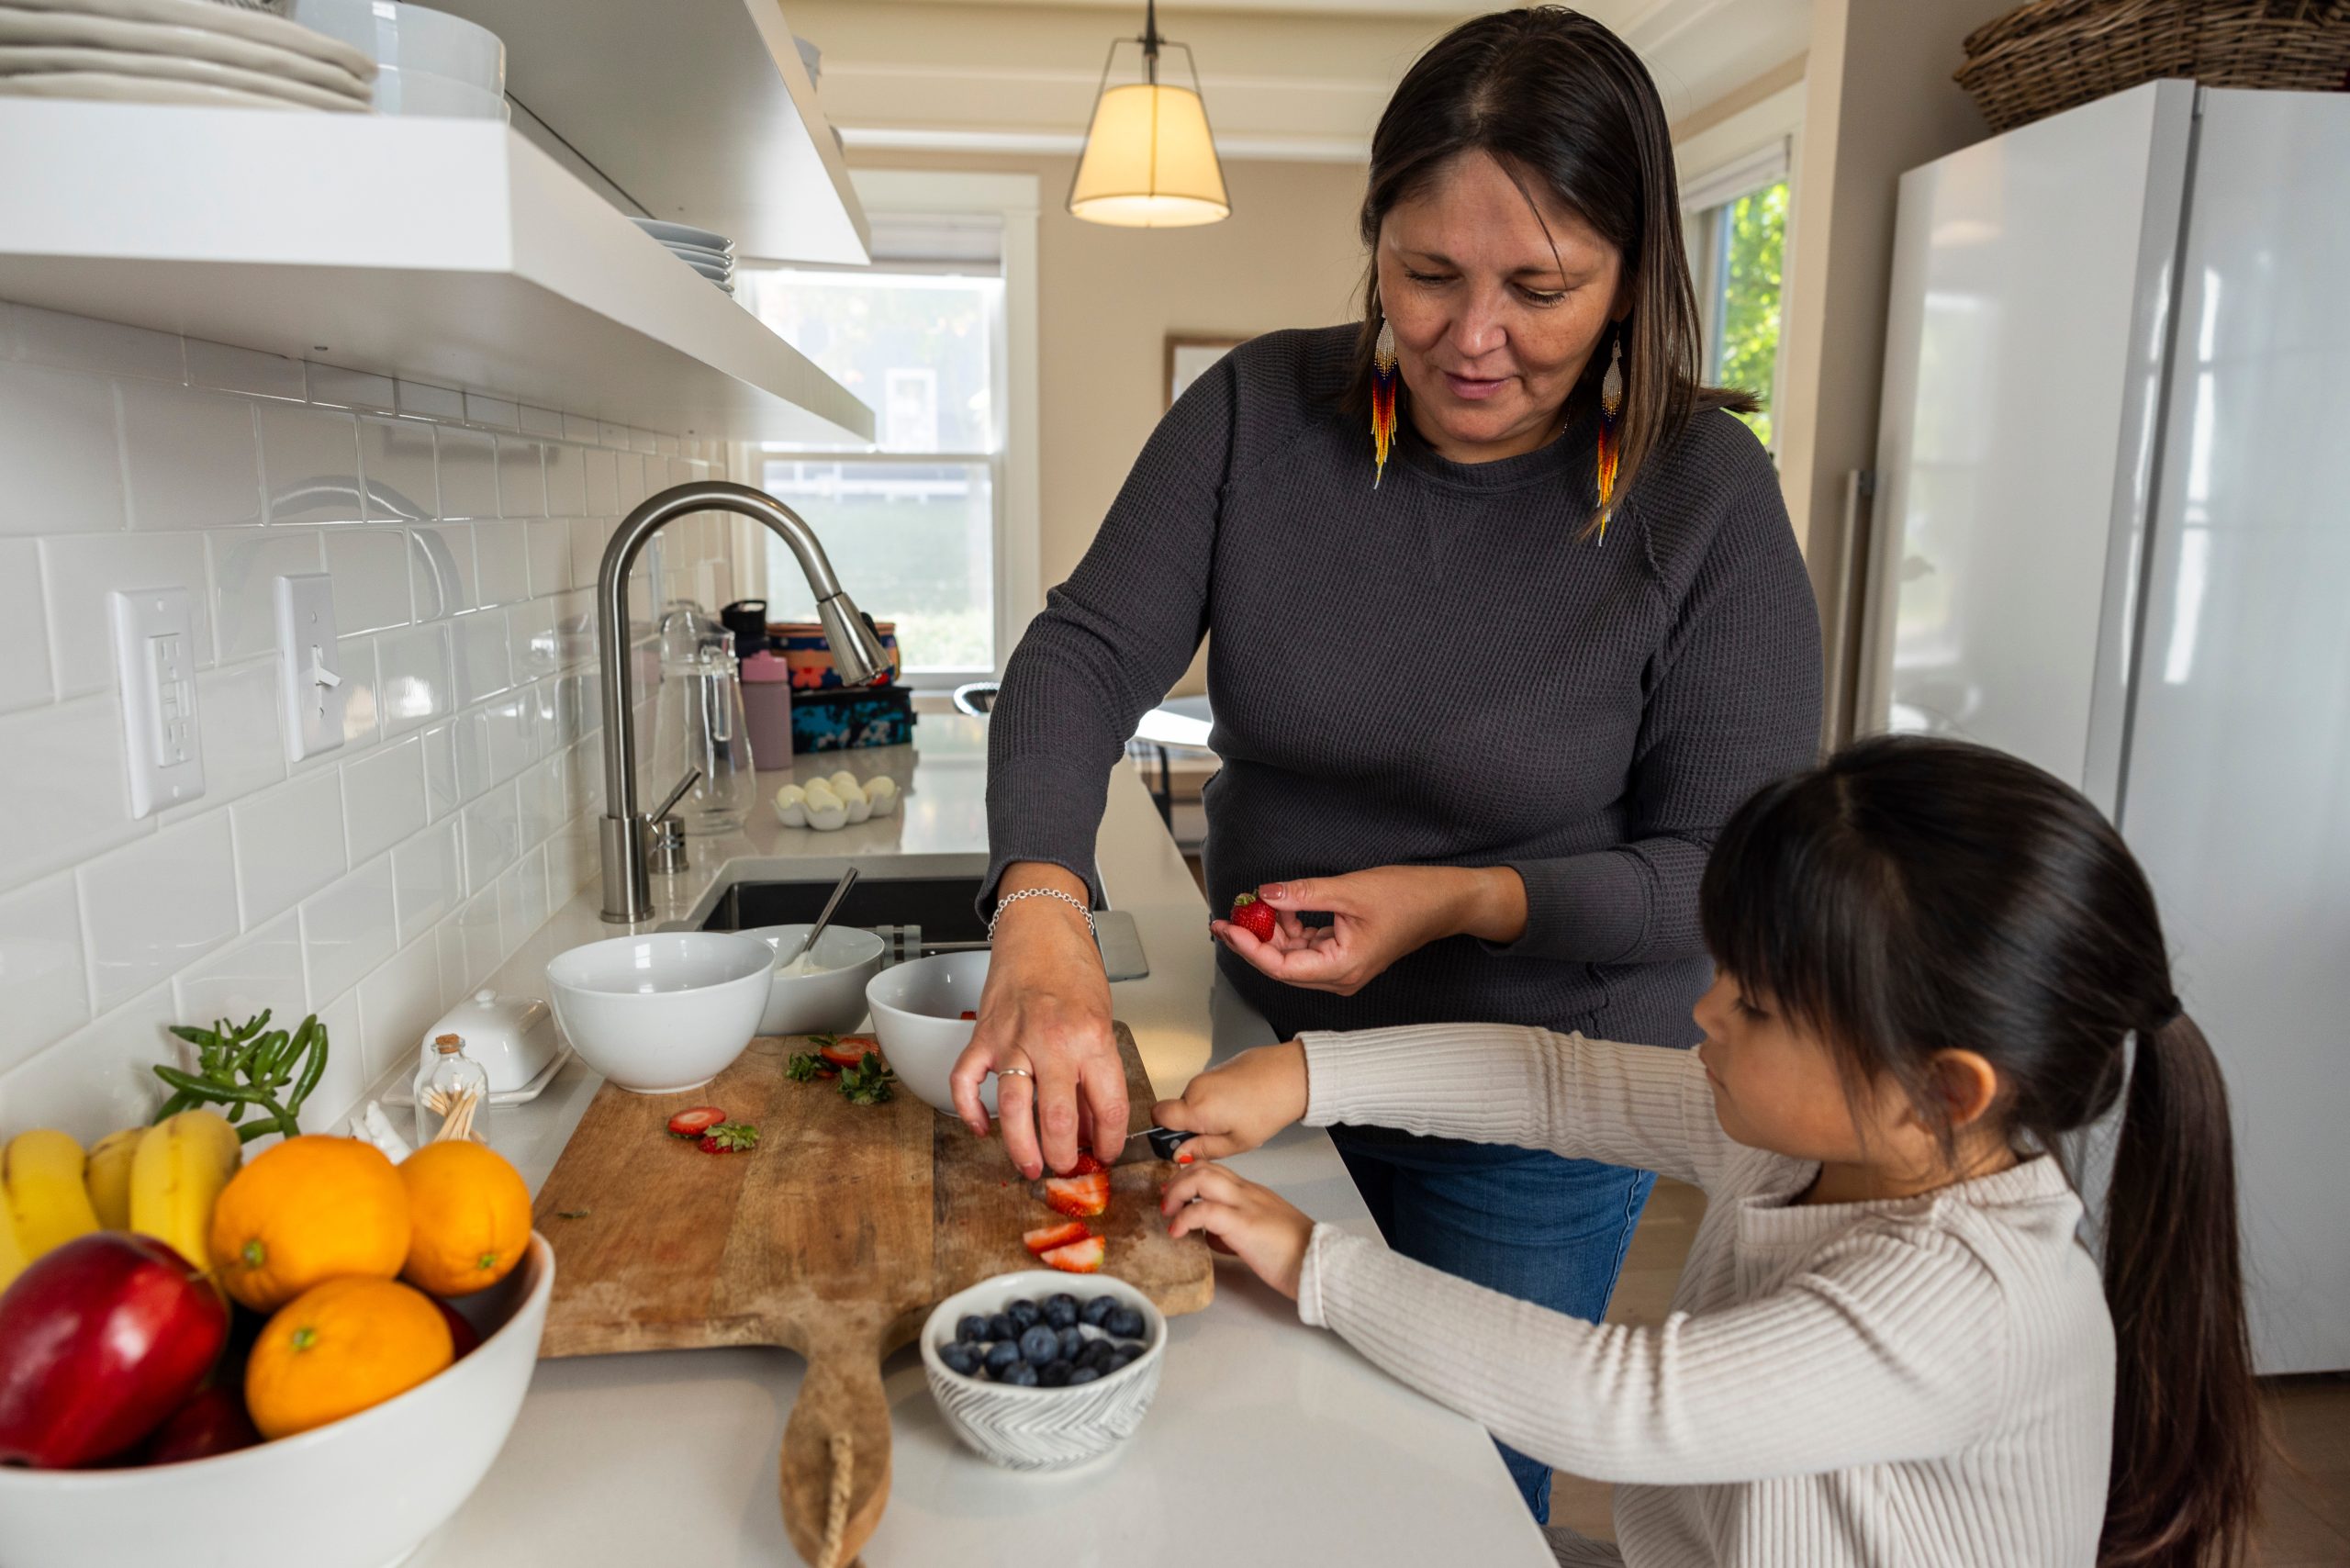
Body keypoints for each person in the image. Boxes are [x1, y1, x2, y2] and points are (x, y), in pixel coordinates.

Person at [954, 6, 1820, 1519]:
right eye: (1427, 276)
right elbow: (1081, 654)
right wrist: (1039, 903)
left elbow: (1716, 878)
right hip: (1268, 1058)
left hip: (1550, 1106)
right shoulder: (1252, 415)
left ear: (1633, 280)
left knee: (1457, 1500)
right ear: (1376, 243)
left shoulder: (1704, 495)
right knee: (1260, 1464)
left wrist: (1463, 899)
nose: (1473, 338)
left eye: (1541, 288)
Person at [1150, 736, 2261, 1568]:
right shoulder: (1834, 1139)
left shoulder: (1967, 1298)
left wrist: (1314, 1258)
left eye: (1761, 1004)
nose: (1707, 1009)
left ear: (1942, 1084)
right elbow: (1559, 1082)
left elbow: (1617, 1403)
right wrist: (1306, 1073)